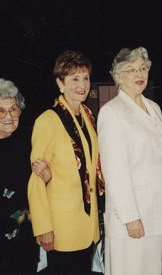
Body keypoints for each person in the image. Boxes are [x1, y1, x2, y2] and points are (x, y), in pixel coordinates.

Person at [97, 46, 162, 275]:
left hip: (155, 212)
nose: (139, 74)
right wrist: (131, 217)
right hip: (131, 218)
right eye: (131, 70)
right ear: (118, 76)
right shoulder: (112, 112)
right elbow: (114, 170)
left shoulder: (154, 107)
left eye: (143, 68)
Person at [28, 50, 101, 274]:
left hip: (86, 224)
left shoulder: (87, 117)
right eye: (74, 79)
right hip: (62, 226)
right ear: (60, 83)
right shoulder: (48, 120)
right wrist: (43, 228)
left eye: (86, 78)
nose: (82, 85)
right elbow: (36, 180)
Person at [0, 78, 49, 274]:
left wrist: (46, 177)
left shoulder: (28, 142)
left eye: (13, 109)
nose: (8, 116)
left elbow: (37, 186)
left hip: (24, 238)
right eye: (1, 110)